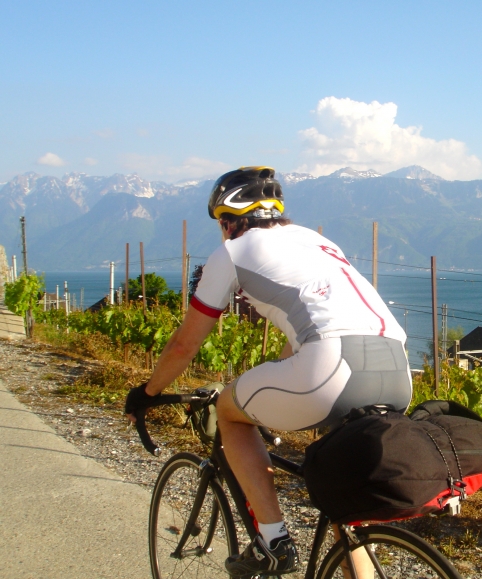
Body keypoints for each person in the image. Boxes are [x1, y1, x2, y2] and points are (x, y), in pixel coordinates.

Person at [125, 166, 412, 577]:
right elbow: (306, 334)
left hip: (331, 368)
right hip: (397, 369)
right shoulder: (317, 241)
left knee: (228, 411)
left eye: (222, 223)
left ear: (230, 220)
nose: (222, 231)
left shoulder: (232, 253)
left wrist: (148, 392)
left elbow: (185, 344)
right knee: (341, 503)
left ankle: (273, 542)